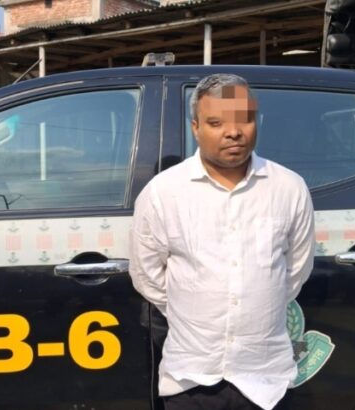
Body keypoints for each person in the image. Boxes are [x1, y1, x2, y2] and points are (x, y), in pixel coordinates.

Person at [129, 73, 315, 410]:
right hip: (190, 377)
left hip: (265, 380)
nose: (233, 132)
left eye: (244, 119)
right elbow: (147, 274)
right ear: (196, 127)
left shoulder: (289, 188)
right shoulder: (162, 193)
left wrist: (254, 300)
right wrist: (193, 310)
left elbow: (294, 272)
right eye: (216, 123)